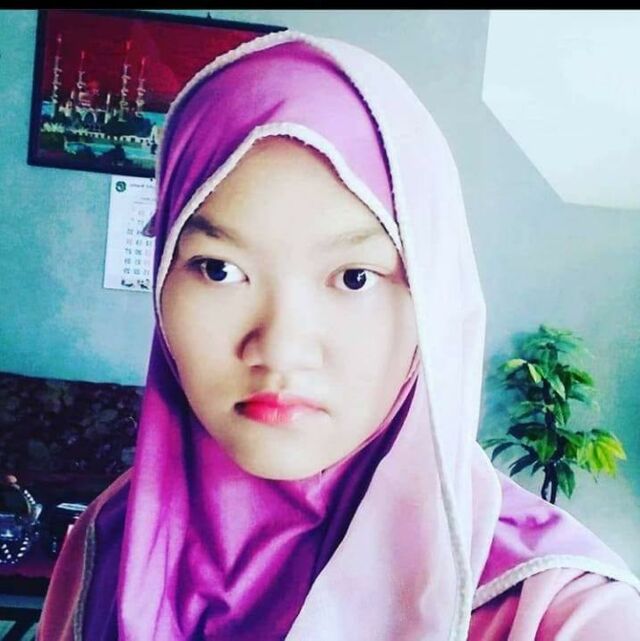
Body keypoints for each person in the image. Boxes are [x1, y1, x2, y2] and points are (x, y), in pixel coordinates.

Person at [38, 30, 640, 641]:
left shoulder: (554, 611)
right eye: (219, 269)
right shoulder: (109, 540)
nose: (280, 348)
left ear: (431, 295)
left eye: (355, 277)